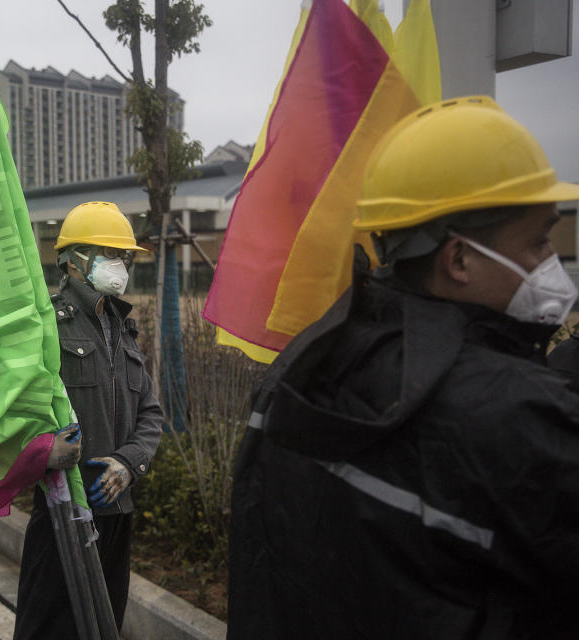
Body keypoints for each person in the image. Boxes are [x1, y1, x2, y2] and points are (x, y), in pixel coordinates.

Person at [227, 96, 579, 639]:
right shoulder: (523, 417)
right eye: (537, 241)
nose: (549, 264)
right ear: (458, 259)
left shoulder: (302, 365)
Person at [14, 201, 164, 639]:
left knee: (103, 628)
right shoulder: (46, 324)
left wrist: (128, 463)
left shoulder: (124, 330)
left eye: (125, 256)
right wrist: (44, 452)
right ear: (75, 260)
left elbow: (151, 414)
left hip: (117, 516)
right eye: (109, 254)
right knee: (49, 630)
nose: (120, 265)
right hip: (64, 516)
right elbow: (17, 410)